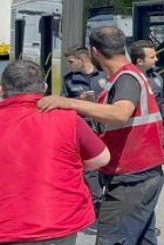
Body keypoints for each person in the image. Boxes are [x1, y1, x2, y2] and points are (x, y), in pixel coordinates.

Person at [38, 26, 164, 245]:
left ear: (95, 52)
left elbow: (120, 113)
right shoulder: (126, 76)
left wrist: (68, 102)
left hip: (131, 178)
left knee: (112, 239)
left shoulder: (125, 78)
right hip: (143, 175)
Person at [0, 60, 110, 245]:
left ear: (2, 90)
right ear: (44, 88)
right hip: (60, 222)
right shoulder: (67, 118)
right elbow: (102, 158)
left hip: (9, 227)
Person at [61, 45, 108, 216]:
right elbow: (63, 104)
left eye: (71, 62)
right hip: (84, 129)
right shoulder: (69, 80)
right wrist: (78, 100)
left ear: (84, 59)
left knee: (106, 164)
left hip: (106, 128)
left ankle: (105, 197)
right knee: (89, 168)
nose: (69, 65)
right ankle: (97, 202)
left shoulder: (105, 76)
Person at [129, 40, 164, 142]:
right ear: (140, 61)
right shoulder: (127, 79)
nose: (156, 59)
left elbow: (160, 103)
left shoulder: (156, 78)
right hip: (134, 135)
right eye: (152, 57)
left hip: (154, 132)